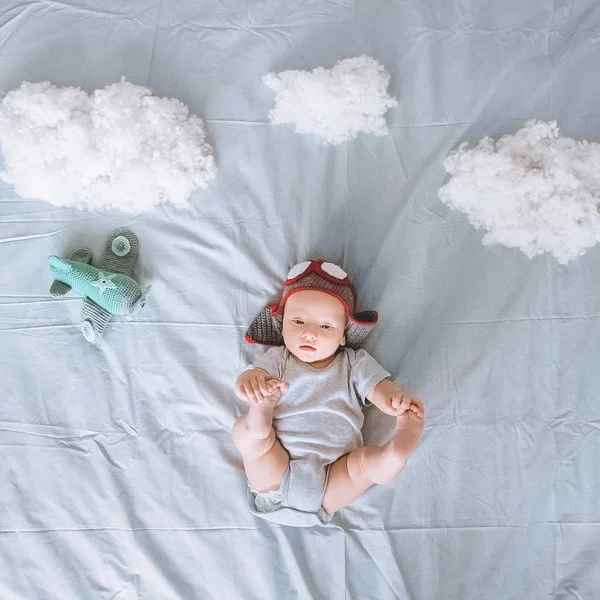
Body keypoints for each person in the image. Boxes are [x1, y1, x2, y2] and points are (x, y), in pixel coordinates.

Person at [232, 260, 424, 527]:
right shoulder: (279, 359)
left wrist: (393, 402)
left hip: (332, 477)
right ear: (283, 325)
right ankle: (259, 416)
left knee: (363, 467)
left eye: (325, 327)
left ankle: (393, 456)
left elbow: (378, 387)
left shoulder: (355, 363)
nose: (310, 333)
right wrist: (253, 383)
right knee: (252, 437)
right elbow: (249, 377)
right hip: (278, 468)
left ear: (344, 335)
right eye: (298, 321)